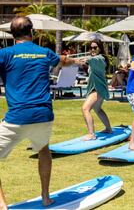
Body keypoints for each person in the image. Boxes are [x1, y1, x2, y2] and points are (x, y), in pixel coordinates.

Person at [0, 16, 80, 209]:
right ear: (32, 32)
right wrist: (77, 60)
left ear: (12, 35)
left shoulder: (5, 54)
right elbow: (63, 60)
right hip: (44, 115)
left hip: (18, 117)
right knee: (43, 149)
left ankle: (2, 205)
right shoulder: (44, 52)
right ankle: (45, 197)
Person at [79, 39, 112, 140]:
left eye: (95, 47)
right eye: (91, 48)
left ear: (100, 48)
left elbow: (95, 59)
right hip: (98, 88)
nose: (92, 49)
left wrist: (87, 59)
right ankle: (108, 129)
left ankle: (91, 134)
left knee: (85, 108)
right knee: (97, 109)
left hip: (97, 89)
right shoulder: (95, 59)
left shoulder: (100, 58)